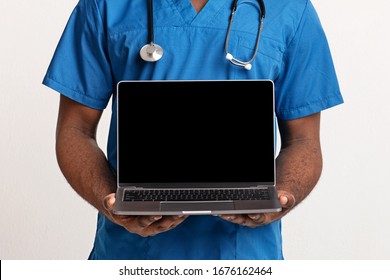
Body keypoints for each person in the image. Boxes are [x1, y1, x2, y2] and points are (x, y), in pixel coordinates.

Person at [43, 0, 343, 260]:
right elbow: (75, 130)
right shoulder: (106, 5)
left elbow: (303, 140)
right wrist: (111, 202)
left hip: (244, 260)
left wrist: (282, 195)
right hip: (131, 256)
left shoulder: (291, 8)